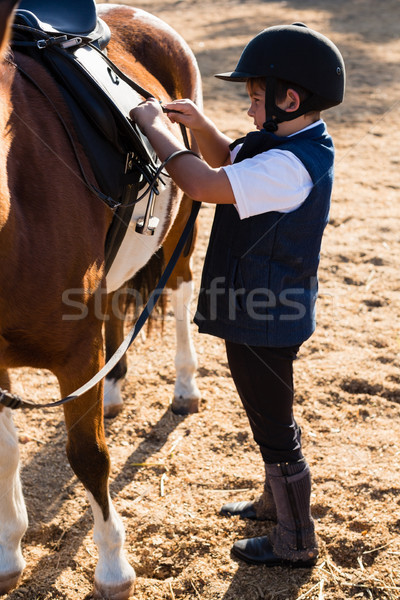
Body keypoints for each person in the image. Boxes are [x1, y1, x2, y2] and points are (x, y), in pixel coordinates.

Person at [130, 23, 345, 568]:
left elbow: (202, 183)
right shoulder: (287, 144)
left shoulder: (288, 166)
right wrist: (199, 124)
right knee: (267, 414)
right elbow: (230, 160)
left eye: (254, 100)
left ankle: (296, 540)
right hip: (260, 310)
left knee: (273, 423)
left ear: (288, 99)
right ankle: (276, 503)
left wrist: (158, 131)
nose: (249, 111)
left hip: (265, 316)